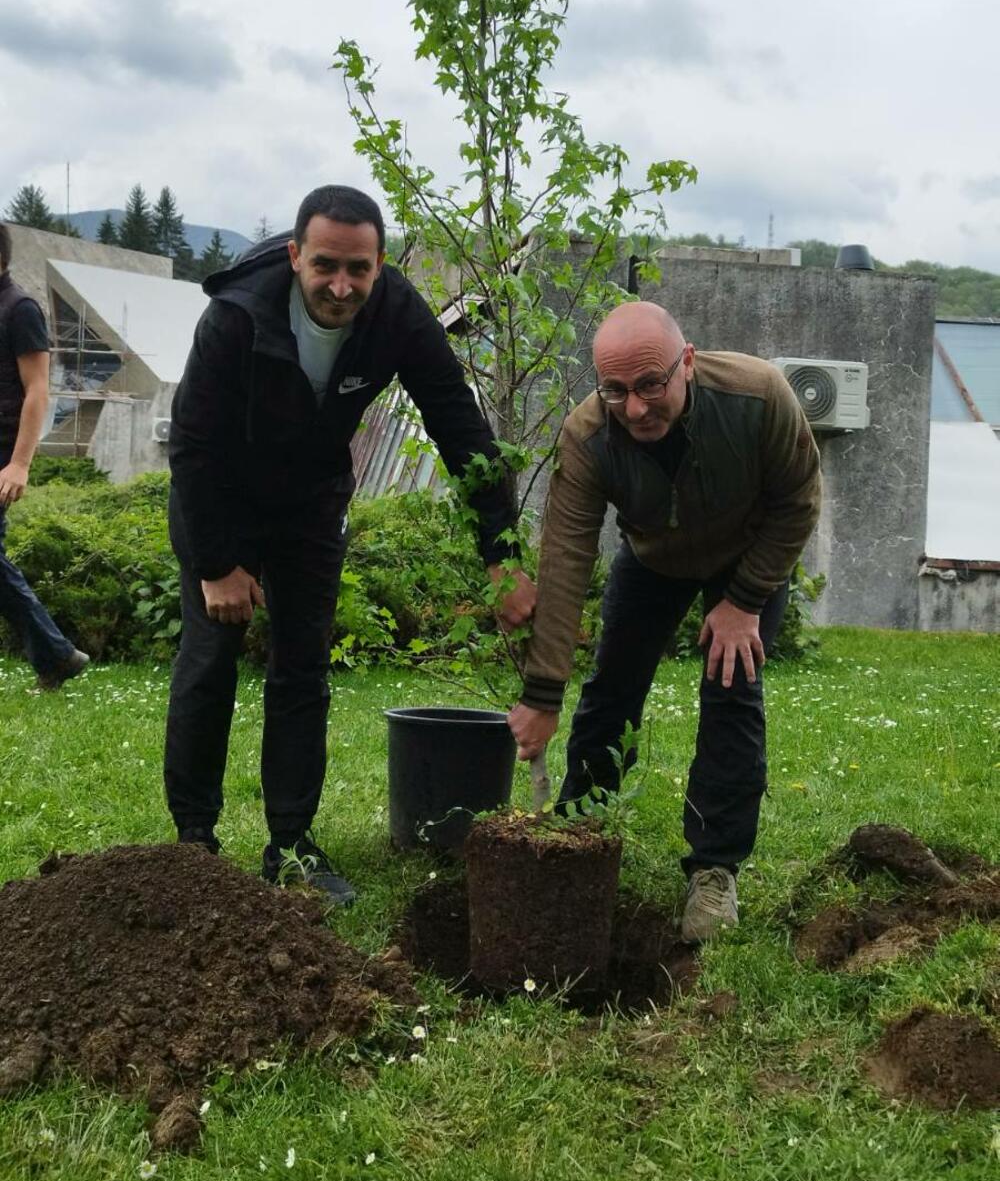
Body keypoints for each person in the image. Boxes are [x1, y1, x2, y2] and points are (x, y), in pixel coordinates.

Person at [166, 184, 535, 904]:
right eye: (326, 266)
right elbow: (192, 444)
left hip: (311, 501)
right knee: (209, 659)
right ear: (295, 255)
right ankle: (194, 845)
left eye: (358, 269)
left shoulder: (398, 315)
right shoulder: (236, 314)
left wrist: (502, 556)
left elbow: (461, 429)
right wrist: (216, 566)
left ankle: (290, 844)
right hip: (220, 496)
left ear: (380, 265)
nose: (341, 286)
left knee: (302, 669)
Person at [507, 300, 822, 944]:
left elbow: (799, 500)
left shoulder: (759, 396)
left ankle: (714, 871)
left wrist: (745, 601)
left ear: (688, 363)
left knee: (732, 689)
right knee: (611, 692)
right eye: (616, 390)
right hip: (653, 556)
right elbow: (565, 560)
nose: (636, 407)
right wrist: (542, 694)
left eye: (651, 384)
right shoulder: (588, 436)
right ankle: (580, 835)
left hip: (749, 555)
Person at [0, 222, 90, 690]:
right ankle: (56, 655)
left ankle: (57, 654)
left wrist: (20, 463)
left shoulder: (20, 309)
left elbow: (38, 390)